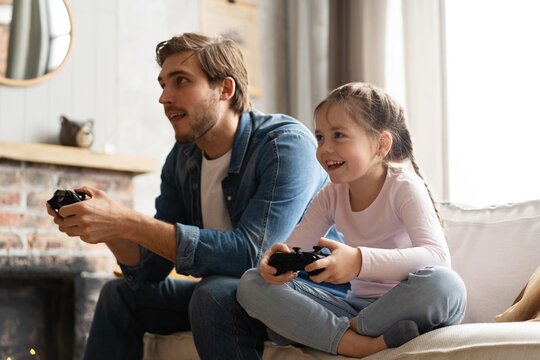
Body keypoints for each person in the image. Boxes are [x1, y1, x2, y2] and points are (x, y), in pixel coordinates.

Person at [46, 32, 332, 359]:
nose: (164, 98)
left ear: (225, 89)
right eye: (163, 84)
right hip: (227, 297)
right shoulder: (183, 159)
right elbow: (150, 271)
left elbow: (252, 257)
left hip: (299, 293)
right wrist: (111, 228)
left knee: (212, 293)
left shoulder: (284, 145)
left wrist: (127, 220)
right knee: (119, 295)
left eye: (180, 81)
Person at [237, 82, 468, 358]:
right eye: (320, 137)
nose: (325, 148)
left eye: (339, 136)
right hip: (355, 309)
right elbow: (293, 248)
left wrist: (358, 261)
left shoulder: (403, 187)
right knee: (251, 283)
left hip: (400, 306)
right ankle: (358, 343)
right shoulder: (331, 195)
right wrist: (274, 263)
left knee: (446, 285)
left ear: (381, 145)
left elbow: (437, 258)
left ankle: (339, 334)